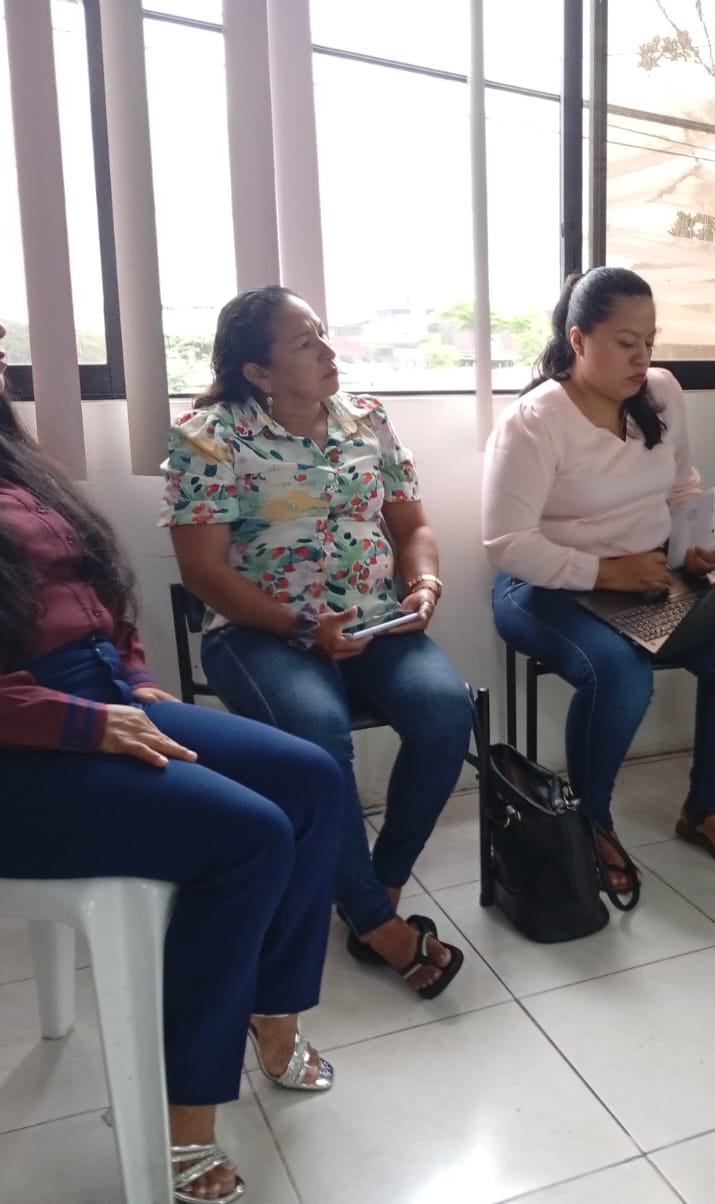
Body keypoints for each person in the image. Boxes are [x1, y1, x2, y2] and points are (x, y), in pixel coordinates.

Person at [0, 231, 342, 1204]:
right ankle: (181, 1122)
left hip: (98, 697)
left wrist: (130, 681)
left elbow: (96, 587)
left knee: (310, 778)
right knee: (248, 835)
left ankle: (273, 1012)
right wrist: (83, 722)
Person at [163, 285, 470, 999]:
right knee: (316, 734)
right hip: (259, 633)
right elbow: (204, 573)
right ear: (258, 372)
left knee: (446, 710)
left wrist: (424, 584)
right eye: (306, 343)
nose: (330, 351)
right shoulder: (208, 437)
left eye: (324, 334)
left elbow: (413, 528)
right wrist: (300, 626)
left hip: (373, 620)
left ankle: (380, 885)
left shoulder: (369, 419)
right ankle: (378, 924)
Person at [482, 267, 715, 887]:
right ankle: (591, 823)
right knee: (620, 673)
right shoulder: (535, 420)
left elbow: (680, 484)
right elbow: (507, 545)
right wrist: (606, 571)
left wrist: (692, 547)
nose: (642, 357)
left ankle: (706, 807)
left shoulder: (660, 393)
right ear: (579, 340)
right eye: (625, 342)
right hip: (542, 587)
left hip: (643, 576)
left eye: (650, 341)